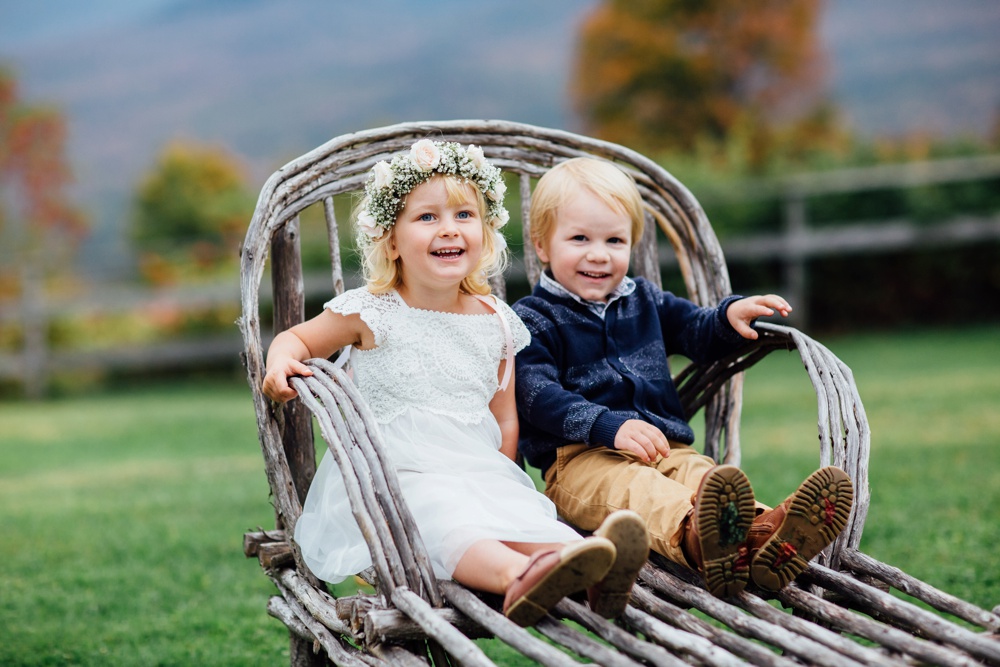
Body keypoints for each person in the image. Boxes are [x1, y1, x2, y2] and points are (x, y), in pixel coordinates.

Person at [261, 140, 649, 626]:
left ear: (484, 233)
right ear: (391, 240)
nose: (449, 228)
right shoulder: (373, 311)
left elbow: (504, 414)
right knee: (450, 520)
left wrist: (503, 476)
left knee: (525, 517)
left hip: (475, 469)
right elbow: (296, 339)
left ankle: (588, 565)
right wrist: (280, 365)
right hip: (396, 481)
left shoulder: (496, 321)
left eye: (464, 214)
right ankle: (519, 576)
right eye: (426, 218)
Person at [513, 157, 854, 597]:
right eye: (579, 239)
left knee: (703, 477)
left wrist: (728, 316)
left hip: (664, 447)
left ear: (632, 245)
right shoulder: (532, 318)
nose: (599, 254)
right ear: (542, 245)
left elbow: (696, 331)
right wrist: (606, 425)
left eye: (615, 240)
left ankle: (768, 534)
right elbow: (535, 395)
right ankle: (698, 538)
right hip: (581, 463)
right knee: (639, 490)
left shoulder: (645, 300)